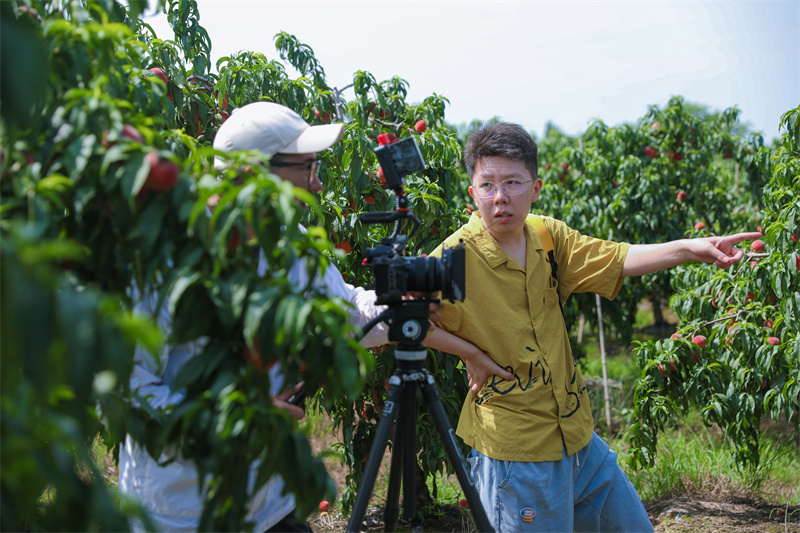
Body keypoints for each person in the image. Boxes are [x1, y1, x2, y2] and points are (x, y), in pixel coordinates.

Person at [118, 102, 449, 532]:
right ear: (254, 172)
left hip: (266, 500)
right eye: (307, 168)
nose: (317, 183)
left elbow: (343, 309)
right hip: (180, 510)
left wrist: (398, 307)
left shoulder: (288, 242)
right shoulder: (166, 260)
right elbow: (129, 388)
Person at [426, 122, 761, 533]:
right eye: (487, 185)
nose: (500, 197)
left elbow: (616, 258)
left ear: (536, 187)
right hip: (518, 450)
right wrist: (470, 353)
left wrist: (690, 248)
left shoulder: (547, 236)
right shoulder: (456, 257)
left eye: (512, 182)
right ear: (472, 192)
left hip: (577, 437)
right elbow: (403, 319)